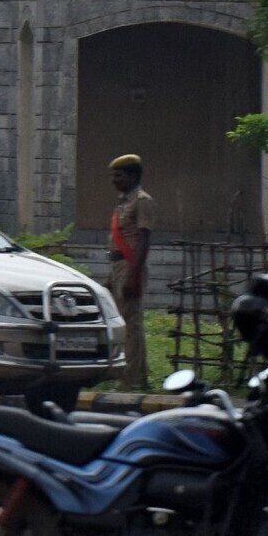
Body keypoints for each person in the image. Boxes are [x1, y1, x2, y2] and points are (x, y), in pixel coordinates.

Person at [104, 153, 154, 390]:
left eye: (119, 175)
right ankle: (139, 376)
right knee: (130, 323)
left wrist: (132, 275)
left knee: (130, 326)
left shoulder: (142, 201)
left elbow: (144, 240)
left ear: (133, 176)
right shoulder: (123, 202)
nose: (114, 180)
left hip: (131, 265)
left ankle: (128, 380)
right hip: (118, 266)